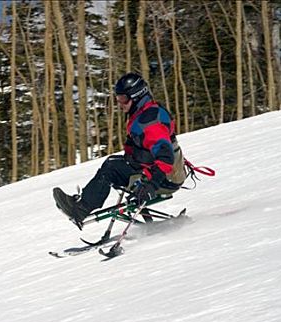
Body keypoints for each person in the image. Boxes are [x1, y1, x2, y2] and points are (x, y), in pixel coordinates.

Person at [53, 72, 186, 226]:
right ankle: (83, 206)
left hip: (164, 179)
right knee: (113, 164)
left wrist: (151, 185)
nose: (120, 103)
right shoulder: (144, 113)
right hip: (159, 172)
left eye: (123, 99)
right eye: (117, 99)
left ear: (137, 97)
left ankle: (81, 209)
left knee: (111, 169)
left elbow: (165, 156)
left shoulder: (149, 122)